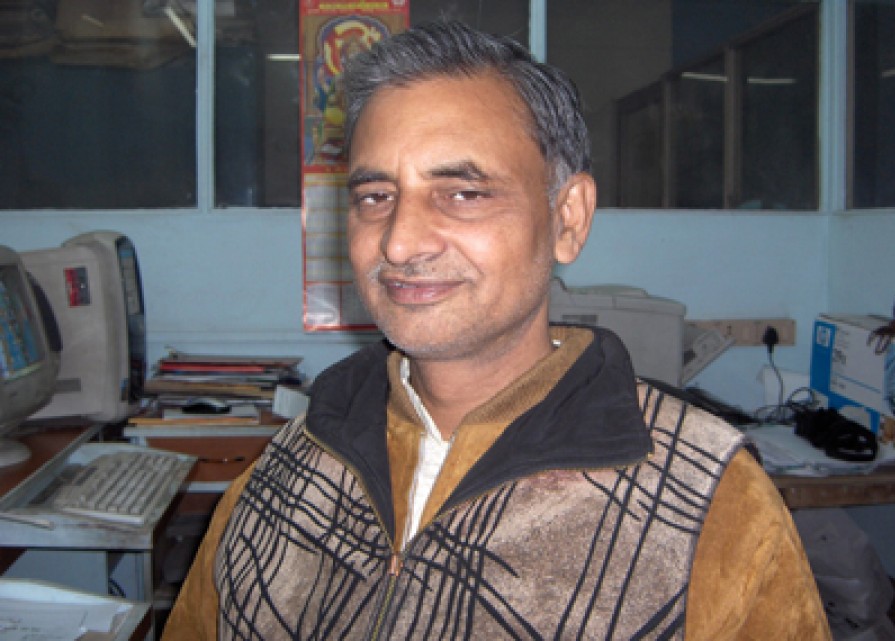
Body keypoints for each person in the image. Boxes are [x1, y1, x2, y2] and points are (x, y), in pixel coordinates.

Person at [162, 20, 830, 640]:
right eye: (376, 197)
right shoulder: (282, 471)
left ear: (567, 218)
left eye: (463, 193)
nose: (399, 241)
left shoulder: (711, 505)